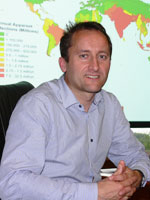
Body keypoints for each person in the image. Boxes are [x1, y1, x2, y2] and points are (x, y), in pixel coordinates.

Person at [0, 21, 150, 200]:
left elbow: (135, 154)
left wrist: (136, 175)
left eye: (102, 56)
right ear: (63, 64)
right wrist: (95, 193)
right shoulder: (37, 105)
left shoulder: (109, 104)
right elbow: (11, 184)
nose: (95, 66)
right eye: (84, 56)